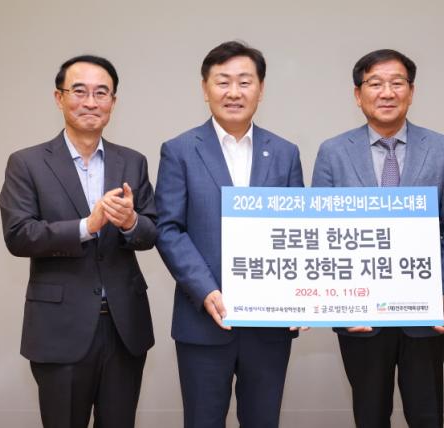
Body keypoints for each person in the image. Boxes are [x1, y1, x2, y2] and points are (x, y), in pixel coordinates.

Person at [312, 49, 444, 428]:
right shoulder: (333, 152)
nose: (386, 92)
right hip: (360, 315)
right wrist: (339, 308)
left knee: (427, 416)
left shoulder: (442, 149)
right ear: (358, 94)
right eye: (375, 83)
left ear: (411, 92)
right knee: (369, 416)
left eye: (397, 83)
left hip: (425, 312)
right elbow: (320, 234)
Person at [0, 55, 157, 428]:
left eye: (101, 93)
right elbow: (18, 235)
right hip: (59, 328)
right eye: (79, 91)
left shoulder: (132, 162)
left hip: (124, 328)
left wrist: (131, 222)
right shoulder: (27, 163)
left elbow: (151, 231)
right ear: (59, 98)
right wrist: (88, 225)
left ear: (113, 102)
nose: (91, 102)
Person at [155, 41, 304, 428]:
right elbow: (168, 228)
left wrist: (302, 297)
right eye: (223, 82)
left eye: (244, 82)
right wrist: (206, 290)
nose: (234, 92)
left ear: (261, 89)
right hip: (203, 320)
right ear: (205, 88)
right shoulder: (179, 150)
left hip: (270, 325)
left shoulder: (285, 153)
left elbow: (298, 230)